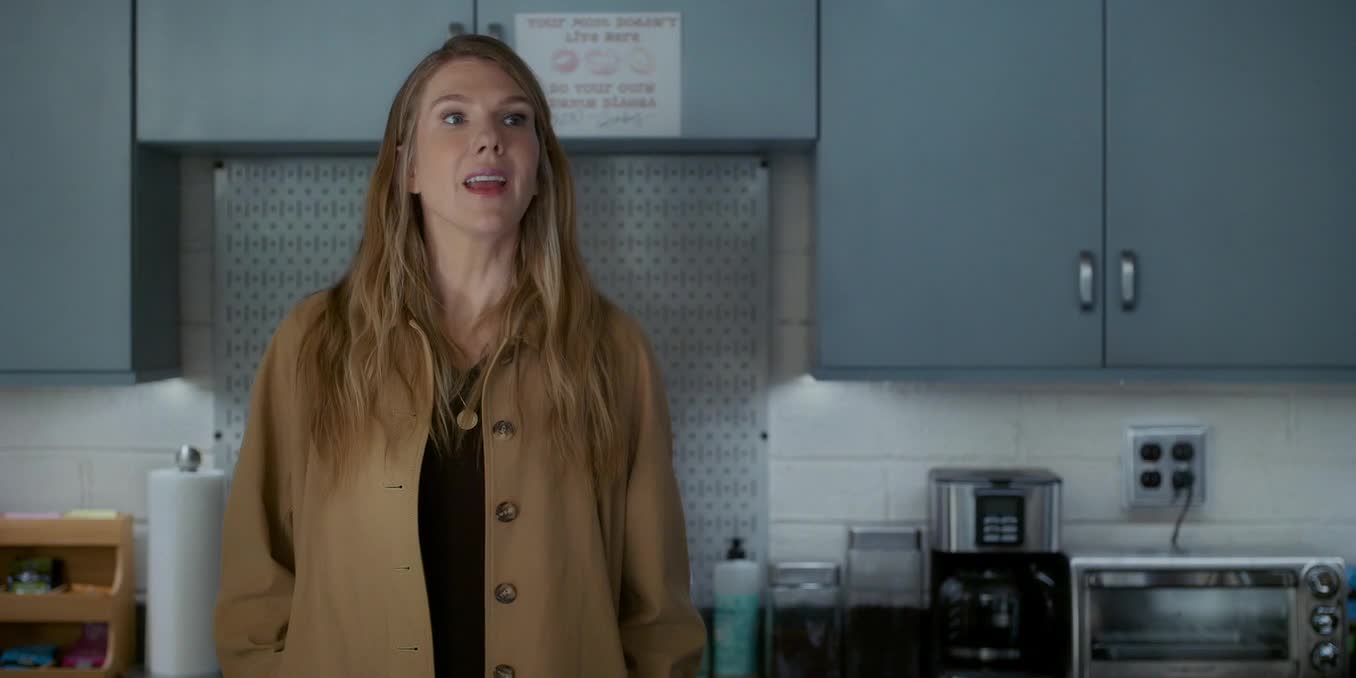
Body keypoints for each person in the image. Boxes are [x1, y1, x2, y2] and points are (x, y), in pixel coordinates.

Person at [213, 34, 706, 678]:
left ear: (539, 170)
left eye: (514, 119)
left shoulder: (613, 351)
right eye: (454, 117)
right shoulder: (313, 342)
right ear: (408, 169)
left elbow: (657, 615)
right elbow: (256, 586)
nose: (490, 138)